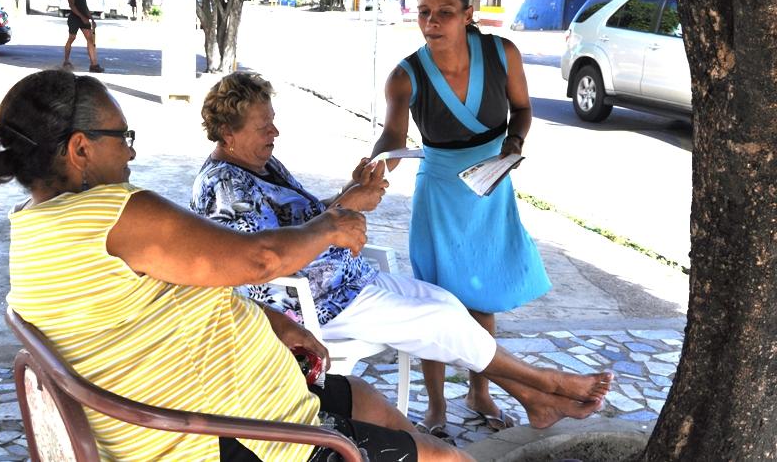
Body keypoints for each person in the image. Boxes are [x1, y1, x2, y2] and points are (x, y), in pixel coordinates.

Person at [0, 69, 470, 462]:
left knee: (367, 400)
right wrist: (330, 226)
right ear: (80, 148)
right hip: (227, 434)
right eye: (122, 135)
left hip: (239, 401)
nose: (131, 149)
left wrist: (268, 320)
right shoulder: (114, 213)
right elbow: (261, 259)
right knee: (445, 458)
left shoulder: (35, 224)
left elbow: (174, 287)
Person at [190, 71, 613, 442]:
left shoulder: (259, 163)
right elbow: (264, 262)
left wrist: (349, 193)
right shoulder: (224, 186)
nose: (275, 132)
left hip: (344, 278)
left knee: (447, 304)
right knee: (442, 321)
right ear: (228, 132)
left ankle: (533, 400)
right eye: (263, 126)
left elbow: (300, 219)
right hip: (312, 303)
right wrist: (346, 208)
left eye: (273, 120)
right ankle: (548, 383)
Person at [370, 0, 553, 435]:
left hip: (490, 186)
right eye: (424, 12)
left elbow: (523, 109)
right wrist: (375, 165)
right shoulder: (405, 76)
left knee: (481, 297)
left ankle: (479, 392)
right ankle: (435, 405)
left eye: (445, 12)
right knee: (436, 298)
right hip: (440, 195)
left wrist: (514, 142)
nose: (432, 22)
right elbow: (393, 138)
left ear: (469, 14)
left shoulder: (502, 53)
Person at [63, 0, 103, 73]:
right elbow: (72, 6)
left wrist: (92, 19)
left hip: (84, 17)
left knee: (90, 40)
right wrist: (81, 17)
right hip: (74, 18)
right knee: (71, 38)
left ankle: (94, 65)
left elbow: (84, 6)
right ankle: (66, 61)